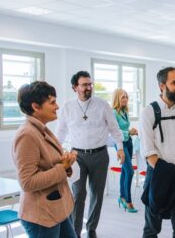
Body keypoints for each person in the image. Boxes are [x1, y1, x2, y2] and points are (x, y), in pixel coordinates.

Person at [56, 71, 125, 238]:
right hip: (76, 157)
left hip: (100, 155)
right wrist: (56, 152)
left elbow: (114, 128)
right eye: (84, 85)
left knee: (97, 194)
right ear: (75, 87)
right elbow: (61, 131)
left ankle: (91, 229)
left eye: (90, 84)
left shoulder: (102, 105)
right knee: (78, 194)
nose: (88, 87)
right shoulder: (68, 107)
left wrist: (120, 147)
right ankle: (75, 232)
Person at [139, 67, 175, 238]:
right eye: (174, 82)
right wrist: (172, 177)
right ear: (161, 86)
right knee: (151, 228)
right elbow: (149, 152)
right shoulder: (148, 112)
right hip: (157, 177)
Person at [13, 81, 77, 237]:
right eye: (52, 102)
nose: (57, 106)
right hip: (41, 215)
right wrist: (62, 168)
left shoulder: (41, 128)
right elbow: (28, 182)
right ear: (36, 106)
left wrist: (66, 164)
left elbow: (48, 164)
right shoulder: (27, 135)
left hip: (55, 209)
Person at [112, 88, 138, 213]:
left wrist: (130, 132)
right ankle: (128, 201)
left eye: (126, 97)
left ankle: (121, 197)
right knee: (130, 171)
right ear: (117, 98)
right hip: (121, 144)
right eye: (123, 97)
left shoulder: (125, 112)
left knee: (124, 170)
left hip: (129, 142)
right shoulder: (113, 113)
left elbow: (124, 128)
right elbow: (113, 132)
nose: (125, 99)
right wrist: (128, 132)